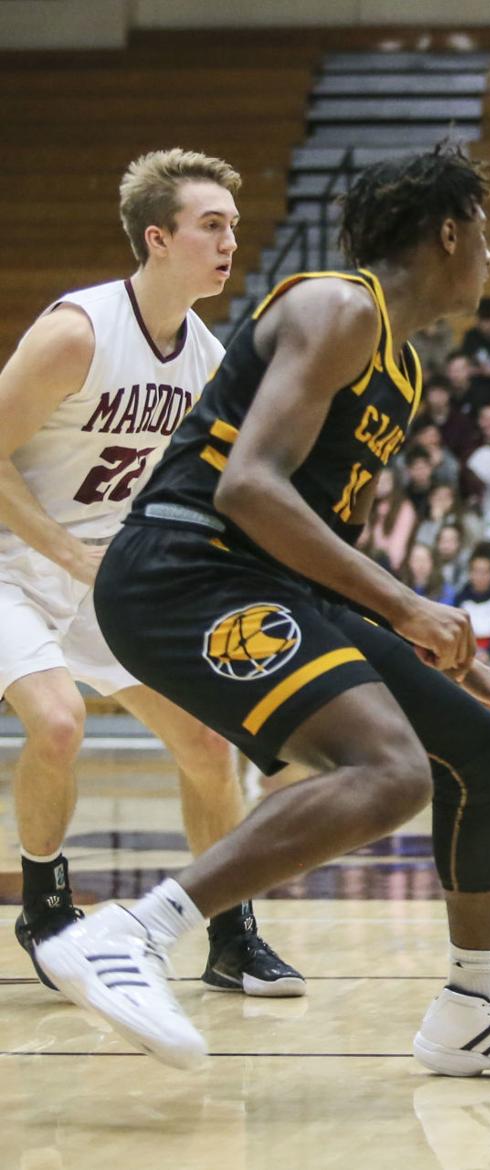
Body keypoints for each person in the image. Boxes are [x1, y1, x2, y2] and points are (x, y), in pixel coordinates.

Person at [35, 142, 490, 1078]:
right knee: (390, 770)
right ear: (450, 231)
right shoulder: (336, 307)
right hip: (184, 570)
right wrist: (410, 603)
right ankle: (133, 933)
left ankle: (473, 1011)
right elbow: (250, 489)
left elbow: (328, 551)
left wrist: (450, 654)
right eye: (487, 234)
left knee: (476, 747)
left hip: (263, 584)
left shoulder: (403, 368)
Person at [0, 148, 302, 997]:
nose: (230, 241)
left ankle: (231, 934)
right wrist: (65, 554)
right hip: (17, 565)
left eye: (234, 227)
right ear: (157, 239)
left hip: (108, 578)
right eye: (213, 225)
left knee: (209, 744)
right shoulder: (78, 333)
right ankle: (48, 909)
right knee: (57, 724)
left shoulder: (204, 354)